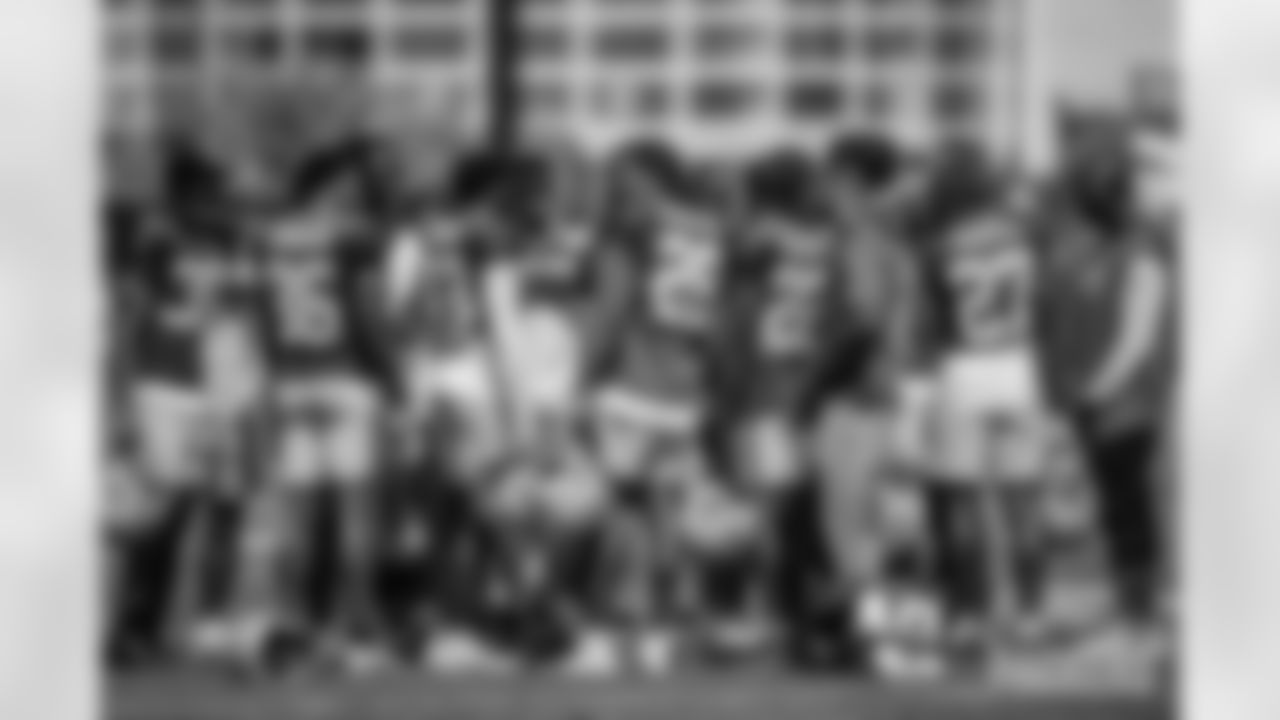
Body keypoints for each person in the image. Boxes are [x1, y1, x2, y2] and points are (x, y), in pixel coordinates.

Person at [1033, 108, 1175, 676]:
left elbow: (1138, 336)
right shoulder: (1075, 251)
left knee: (1128, 506)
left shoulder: (1141, 251)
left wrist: (1095, 390)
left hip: (1125, 405)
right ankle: (1128, 607)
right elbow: (1057, 324)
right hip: (1086, 402)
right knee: (1111, 506)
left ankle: (1141, 616)